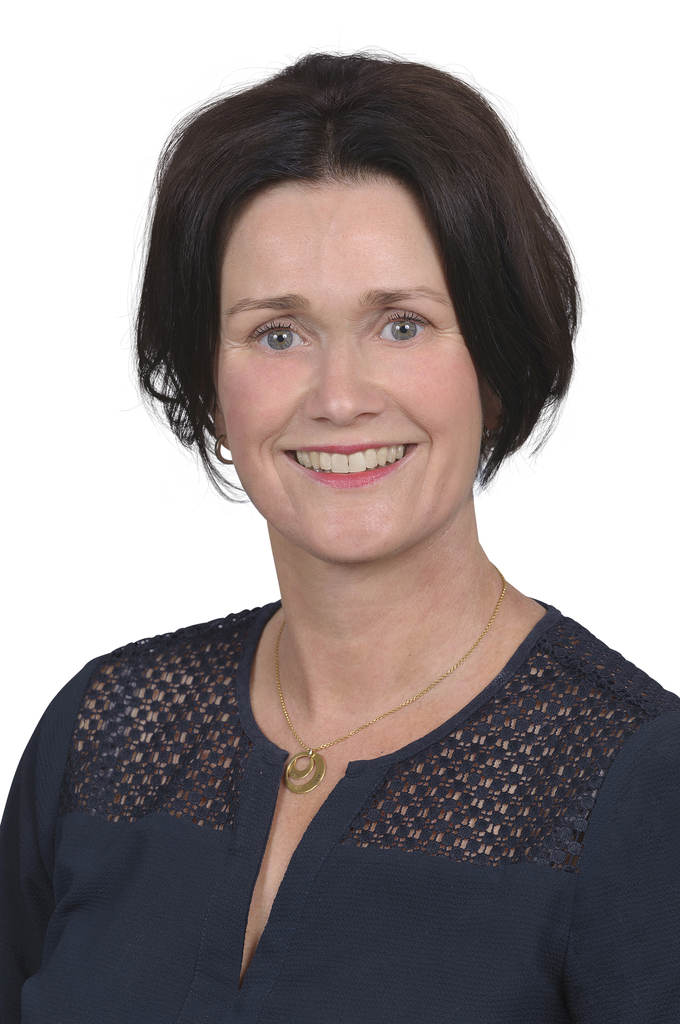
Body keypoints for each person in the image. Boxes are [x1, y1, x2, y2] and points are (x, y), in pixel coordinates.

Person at [1, 51, 678, 1024]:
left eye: (400, 324)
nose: (339, 397)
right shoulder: (102, 735)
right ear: (209, 382)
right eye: (278, 334)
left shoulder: (633, 781)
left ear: (494, 365)